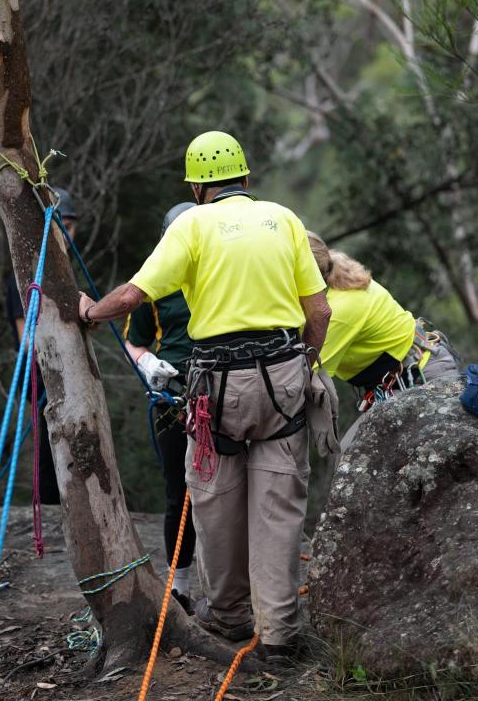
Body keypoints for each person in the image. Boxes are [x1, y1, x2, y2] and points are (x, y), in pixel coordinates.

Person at [78, 131, 330, 665]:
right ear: (245, 178)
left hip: (219, 385)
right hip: (283, 377)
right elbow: (321, 311)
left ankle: (230, 615)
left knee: (214, 500)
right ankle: (281, 633)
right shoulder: (283, 219)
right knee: (280, 506)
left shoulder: (190, 225)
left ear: (196, 186)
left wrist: (89, 311)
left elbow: (132, 296)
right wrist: (304, 363)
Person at [307, 231, 461, 449]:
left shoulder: (335, 311)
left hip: (421, 380)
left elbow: (308, 379)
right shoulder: (333, 269)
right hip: (412, 374)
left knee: (351, 457)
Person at [123, 202, 197, 614]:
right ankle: (180, 587)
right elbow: (135, 341)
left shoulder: (221, 267)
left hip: (222, 384)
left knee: (229, 490)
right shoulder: (156, 278)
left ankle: (235, 589)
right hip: (172, 392)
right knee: (179, 491)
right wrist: (148, 363)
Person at [6, 187, 78, 504]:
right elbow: (27, 341)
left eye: (72, 225)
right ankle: (49, 511)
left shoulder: (70, 272)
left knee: (80, 446)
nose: (67, 233)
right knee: (49, 451)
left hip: (73, 371)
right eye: (62, 224)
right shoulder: (25, 275)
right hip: (42, 375)